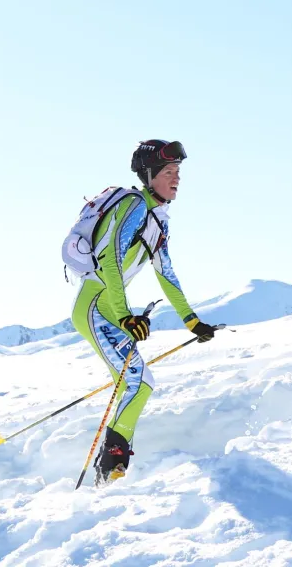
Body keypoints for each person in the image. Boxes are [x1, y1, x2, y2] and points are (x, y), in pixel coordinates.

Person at [68, 139, 218, 484]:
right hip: (97, 309)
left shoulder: (158, 220)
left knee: (137, 384)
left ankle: (112, 471)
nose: (176, 177)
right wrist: (123, 315)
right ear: (150, 175)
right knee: (138, 384)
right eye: (168, 171)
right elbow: (110, 261)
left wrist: (192, 321)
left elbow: (166, 273)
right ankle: (110, 470)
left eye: (178, 171)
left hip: (111, 312)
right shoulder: (134, 206)